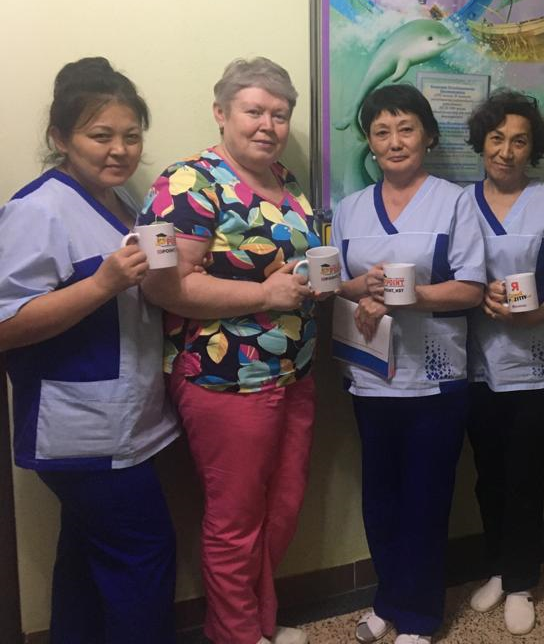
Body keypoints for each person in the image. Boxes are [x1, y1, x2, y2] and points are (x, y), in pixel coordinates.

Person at [0, 57, 179, 643]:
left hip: (126, 420)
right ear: (60, 137)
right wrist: (102, 283)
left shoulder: (120, 198)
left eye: (131, 135)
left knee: (84, 559)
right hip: (81, 431)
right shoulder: (39, 209)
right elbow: (6, 324)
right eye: (100, 136)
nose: (119, 150)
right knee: (143, 557)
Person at [140, 58, 317, 644]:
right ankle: (235, 634)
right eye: (254, 111)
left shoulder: (285, 180)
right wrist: (266, 294)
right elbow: (166, 286)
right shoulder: (189, 184)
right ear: (221, 113)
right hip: (225, 379)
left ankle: (258, 621)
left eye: (280, 114)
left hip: (292, 371)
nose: (268, 125)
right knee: (235, 519)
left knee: (282, 507)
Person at [331, 84, 486, 644]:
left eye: (406, 129)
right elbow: (337, 285)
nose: (394, 141)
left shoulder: (455, 202)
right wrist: (364, 285)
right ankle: (387, 599)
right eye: (381, 131)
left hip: (435, 378)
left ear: (428, 136)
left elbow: (471, 289)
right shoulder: (349, 209)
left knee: (425, 497)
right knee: (380, 498)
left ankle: (419, 616)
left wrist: (407, 296)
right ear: (370, 143)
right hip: (371, 376)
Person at [461, 92, 544, 634]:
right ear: (481, 143)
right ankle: (496, 566)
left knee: (523, 474)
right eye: (496, 139)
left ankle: (521, 581)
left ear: (532, 148)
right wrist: (476, 297)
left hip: (535, 363)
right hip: (475, 362)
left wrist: (537, 315)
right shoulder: (461, 203)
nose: (506, 151)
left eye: (519, 141)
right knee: (487, 474)